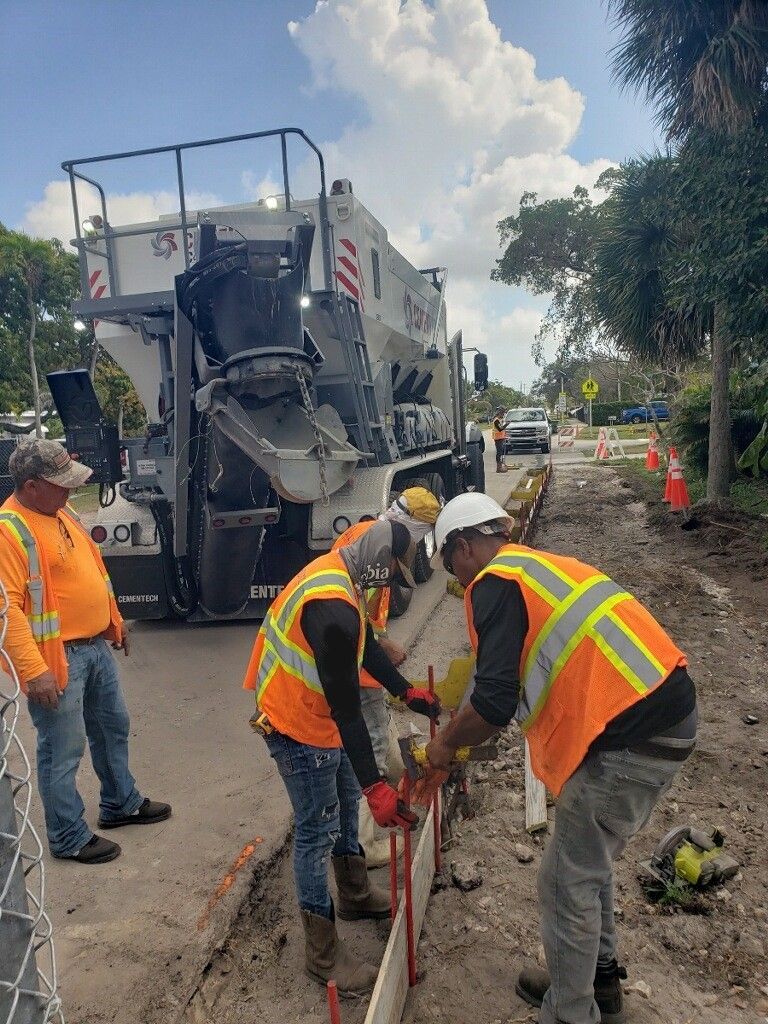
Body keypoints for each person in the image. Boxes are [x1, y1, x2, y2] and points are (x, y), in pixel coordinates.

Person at [419, 492, 697, 1024]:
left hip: (633, 733)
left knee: (563, 881)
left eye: (448, 561)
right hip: (655, 714)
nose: (453, 577)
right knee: (586, 861)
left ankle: (571, 1013)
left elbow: (495, 702)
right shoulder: (536, 567)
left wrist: (446, 743)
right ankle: (598, 982)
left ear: (466, 545)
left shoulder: (495, 582)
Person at [243, 519, 440, 995]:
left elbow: (365, 648)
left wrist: (405, 692)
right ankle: (324, 954)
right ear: (376, 560)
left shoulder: (344, 579)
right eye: (391, 571)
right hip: (296, 725)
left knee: (345, 802)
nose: (390, 581)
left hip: (320, 720)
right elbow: (347, 707)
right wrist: (379, 787)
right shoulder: (330, 605)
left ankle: (353, 894)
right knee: (316, 831)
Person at [0, 440, 171, 865]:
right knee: (63, 747)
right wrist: (33, 670)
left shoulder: (62, 513)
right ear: (32, 485)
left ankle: (120, 803)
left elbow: (94, 570)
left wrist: (113, 622)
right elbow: (7, 611)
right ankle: (68, 835)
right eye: (60, 485)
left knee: (113, 726)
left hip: (94, 647)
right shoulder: (9, 530)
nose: (70, 492)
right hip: (57, 660)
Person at [333, 486, 441, 867]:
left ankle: (405, 779)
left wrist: (382, 646)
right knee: (372, 745)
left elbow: (359, 612)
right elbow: (351, 611)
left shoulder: (366, 538)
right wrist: (380, 643)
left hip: (361, 654)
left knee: (382, 730)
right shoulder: (375, 550)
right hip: (355, 661)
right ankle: (362, 843)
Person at [492, 406, 508, 473]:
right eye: (502, 413)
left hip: (500, 438)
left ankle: (500, 466)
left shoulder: (499, 420)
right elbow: (500, 429)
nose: (503, 414)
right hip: (498, 439)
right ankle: (498, 468)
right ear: (500, 413)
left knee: (500, 452)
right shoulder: (496, 420)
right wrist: (506, 425)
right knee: (499, 453)